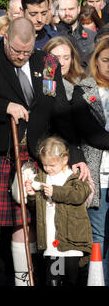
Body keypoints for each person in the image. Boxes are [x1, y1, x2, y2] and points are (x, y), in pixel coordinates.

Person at [0, 17, 88, 286]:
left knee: (25, 224)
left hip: (31, 156)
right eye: (15, 50)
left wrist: (76, 156)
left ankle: (24, 282)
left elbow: (61, 111)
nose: (20, 56)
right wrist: (2, 106)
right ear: (5, 38)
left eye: (26, 52)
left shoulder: (47, 63)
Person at [25, 136, 92, 286]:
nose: (48, 168)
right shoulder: (43, 178)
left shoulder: (75, 176)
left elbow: (79, 195)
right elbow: (37, 208)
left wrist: (55, 192)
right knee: (54, 280)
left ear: (64, 160)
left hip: (72, 243)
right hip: (51, 243)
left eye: (52, 165)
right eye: (45, 165)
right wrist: (31, 196)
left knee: (71, 279)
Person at [71, 38, 109, 286]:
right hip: (98, 175)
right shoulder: (84, 89)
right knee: (99, 236)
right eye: (106, 60)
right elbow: (89, 131)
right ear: (96, 61)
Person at [55, 0, 96, 69]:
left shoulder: (92, 36)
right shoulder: (52, 35)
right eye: (63, 9)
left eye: (71, 9)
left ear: (78, 9)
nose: (67, 13)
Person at [43, 36, 85, 101]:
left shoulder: (83, 81)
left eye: (66, 58)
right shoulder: (41, 81)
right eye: (56, 58)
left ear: (72, 59)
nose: (61, 63)